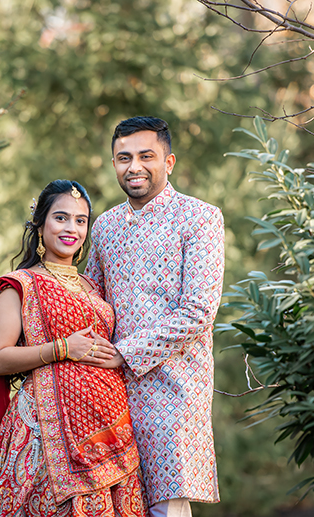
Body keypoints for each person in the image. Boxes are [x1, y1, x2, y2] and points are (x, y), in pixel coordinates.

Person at [0, 180, 147, 517]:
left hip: (110, 436)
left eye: (81, 220)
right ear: (40, 225)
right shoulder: (20, 285)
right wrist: (63, 347)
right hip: (45, 435)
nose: (72, 229)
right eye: (61, 218)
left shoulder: (93, 287)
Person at [84, 117, 225, 517]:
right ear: (113, 164)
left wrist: (124, 352)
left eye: (146, 156)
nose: (134, 167)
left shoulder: (199, 218)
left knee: (165, 510)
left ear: (169, 161)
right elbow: (93, 300)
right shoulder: (106, 226)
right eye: (123, 158)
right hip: (109, 390)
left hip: (173, 392)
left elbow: (198, 311)